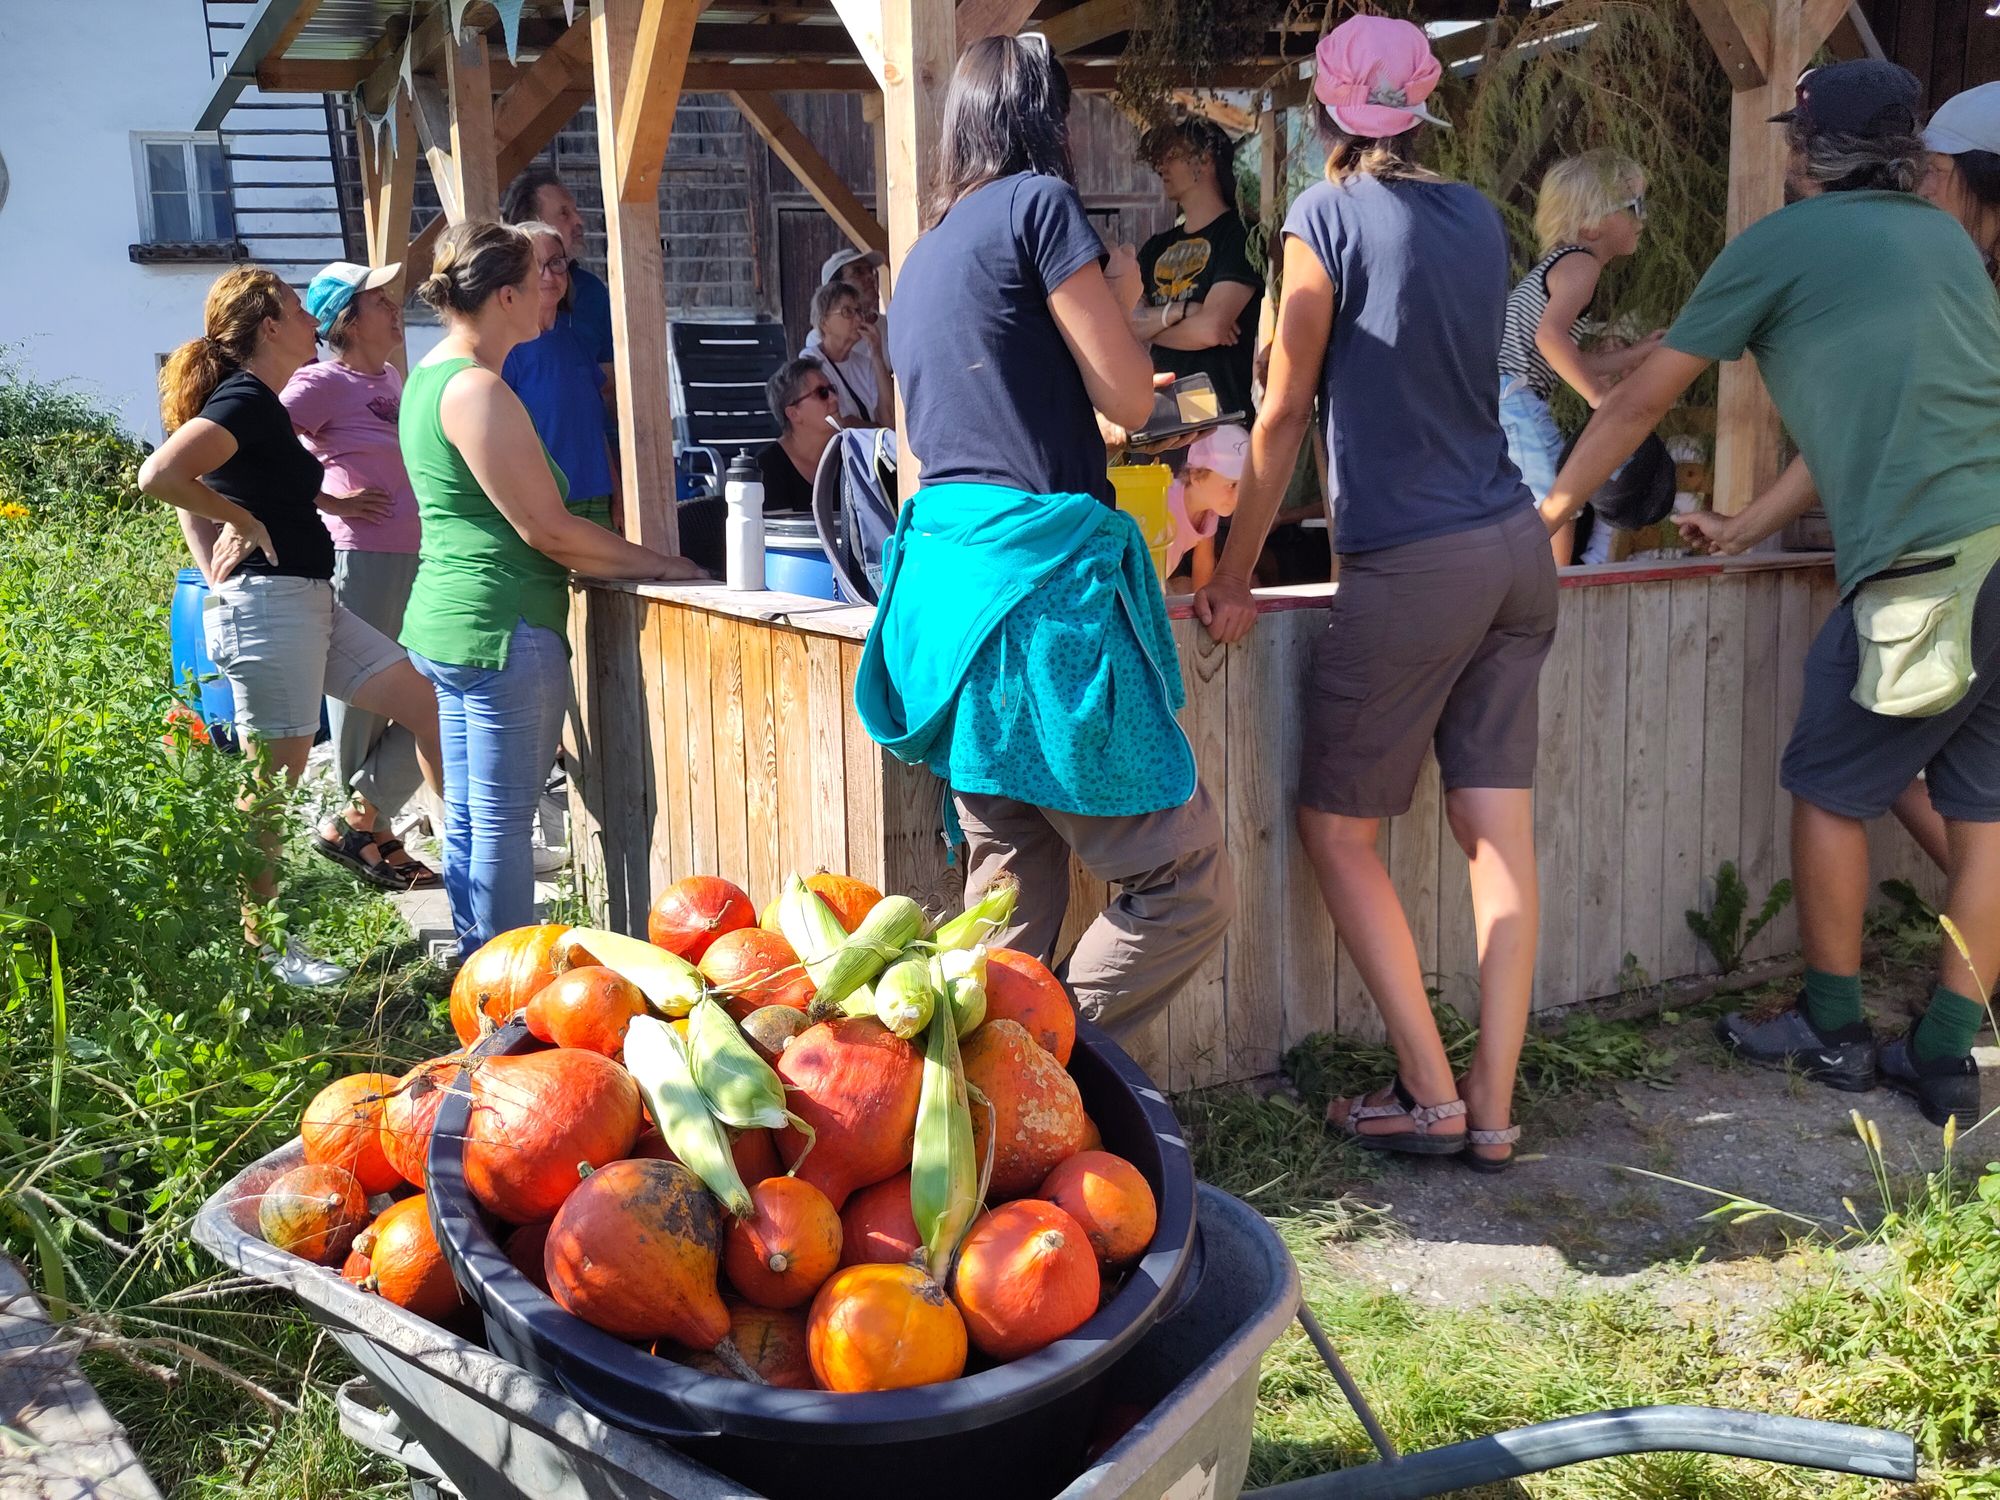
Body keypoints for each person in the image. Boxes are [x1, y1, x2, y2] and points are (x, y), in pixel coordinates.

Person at [1548, 60, 2000, 1128]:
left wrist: (1543, 516)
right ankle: (1942, 1053)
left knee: (1828, 788)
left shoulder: (1782, 243)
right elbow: (1886, 407)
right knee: (1984, 819)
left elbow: (1633, 407)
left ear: (1803, 153)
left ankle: (1832, 1028)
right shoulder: (1939, 242)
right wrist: (1747, 522)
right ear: (1906, 155)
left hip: (1923, 567)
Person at [1196, 16, 1557, 1170]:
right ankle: (1493, 1113)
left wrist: (1234, 572)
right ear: (1423, 102)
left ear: (1321, 111)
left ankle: (1428, 1092)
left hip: (1413, 562)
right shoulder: (1477, 216)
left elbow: (1284, 409)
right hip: (1511, 546)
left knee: (1336, 828)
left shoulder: (1319, 219)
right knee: (1496, 836)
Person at [856, 33, 1234, 1048]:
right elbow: (1120, 398)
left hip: (951, 602)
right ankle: (1039, 1063)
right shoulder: (1039, 205)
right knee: (1183, 879)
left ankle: (977, 1118)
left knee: (1006, 889)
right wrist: (1117, 299)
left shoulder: (922, 255)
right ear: (1048, 122)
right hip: (1039, 604)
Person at [399, 221, 705, 955]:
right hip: (502, 623)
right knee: (500, 822)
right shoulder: (477, 390)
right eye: (539, 276)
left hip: (452, 622)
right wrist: (667, 565)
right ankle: (507, 997)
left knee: (472, 819)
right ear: (504, 295)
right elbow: (550, 530)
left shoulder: (430, 375)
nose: (551, 289)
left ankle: (479, 971)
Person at [139, 266, 445, 986]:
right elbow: (163, 475)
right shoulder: (245, 397)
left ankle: (402, 845)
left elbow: (228, 482)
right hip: (270, 611)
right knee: (274, 785)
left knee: (430, 701)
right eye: (299, 310)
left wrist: (317, 510)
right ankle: (263, 947)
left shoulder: (266, 405)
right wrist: (235, 529)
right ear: (269, 327)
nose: (315, 320)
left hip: (311, 603)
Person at [281, 260, 440, 893]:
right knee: (366, 706)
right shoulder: (318, 381)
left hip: (416, 556)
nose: (396, 310)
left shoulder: (393, 377)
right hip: (363, 555)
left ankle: (360, 823)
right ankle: (368, 833)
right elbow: (262, 443)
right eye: (381, 302)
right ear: (345, 319)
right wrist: (332, 501)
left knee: (427, 690)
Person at [1496, 150, 1663, 565]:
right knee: (1559, 495)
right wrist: (1601, 400)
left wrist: (1636, 353)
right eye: (1633, 206)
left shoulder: (1566, 265)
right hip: (1512, 391)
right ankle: (1554, 590)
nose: (1643, 218)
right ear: (1589, 224)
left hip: (1501, 390)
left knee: (1540, 496)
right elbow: (1551, 338)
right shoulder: (1581, 266)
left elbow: (1561, 354)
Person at [1132, 114, 1264, 425]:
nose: (1161, 166)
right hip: (1159, 409)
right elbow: (1127, 324)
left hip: (1217, 411)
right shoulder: (1154, 247)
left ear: (1204, 161)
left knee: (1201, 473)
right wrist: (1186, 309)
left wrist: (1152, 326)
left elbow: (1213, 328)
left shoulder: (1240, 234)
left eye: (1172, 155)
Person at [502, 222, 622, 530]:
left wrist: (618, 495)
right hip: (547, 506)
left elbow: (595, 427)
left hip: (597, 499)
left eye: (556, 262)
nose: (549, 276)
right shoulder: (507, 350)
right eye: (536, 265)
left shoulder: (577, 341)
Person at [501, 168, 615, 428]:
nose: (579, 221)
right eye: (564, 213)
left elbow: (609, 389)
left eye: (556, 265)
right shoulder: (502, 318)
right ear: (530, 223)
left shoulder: (592, 292)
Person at [1164, 423, 1247, 588]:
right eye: (1231, 485)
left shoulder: (1210, 509)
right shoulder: (1166, 506)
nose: (1239, 495)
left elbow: (1203, 563)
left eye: (1244, 486)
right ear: (1196, 477)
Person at [758, 358, 844, 514]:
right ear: (793, 414)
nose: (834, 398)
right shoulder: (768, 467)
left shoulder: (850, 456)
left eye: (832, 389)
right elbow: (779, 537)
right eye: (822, 393)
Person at [805, 278, 894, 427]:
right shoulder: (811, 363)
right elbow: (836, 422)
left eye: (859, 311)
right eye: (847, 312)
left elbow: (889, 419)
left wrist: (877, 354)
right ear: (824, 322)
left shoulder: (866, 364)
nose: (859, 318)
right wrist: (878, 430)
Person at [818, 246, 891, 357]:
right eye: (858, 272)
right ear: (836, 288)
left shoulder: (889, 327)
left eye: (871, 271)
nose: (870, 277)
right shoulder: (819, 341)